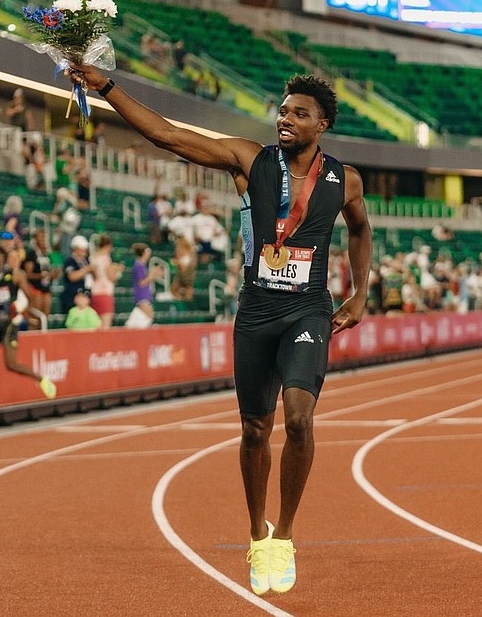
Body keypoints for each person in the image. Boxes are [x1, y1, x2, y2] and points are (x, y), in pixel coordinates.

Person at [70, 66, 371, 596]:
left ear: (321, 124)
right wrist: (106, 88)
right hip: (255, 312)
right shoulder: (249, 160)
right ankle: (258, 534)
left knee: (299, 420)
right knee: (256, 429)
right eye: (282, 109)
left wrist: (361, 291)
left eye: (299, 113)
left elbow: (361, 228)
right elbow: (168, 135)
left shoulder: (343, 180)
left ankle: (286, 537)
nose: (285, 118)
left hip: (308, 311)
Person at [0, 245, 57, 406]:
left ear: (1, 257)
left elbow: (31, 298)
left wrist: (21, 311)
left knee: (11, 364)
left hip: (10, 323)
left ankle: (41, 379)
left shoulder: (15, 275)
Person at [22, 228, 60, 318]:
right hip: (35, 287)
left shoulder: (48, 254)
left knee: (45, 317)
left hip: (46, 287)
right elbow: (28, 274)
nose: (43, 240)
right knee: (36, 316)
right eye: (41, 237)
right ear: (35, 240)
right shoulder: (31, 254)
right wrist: (41, 276)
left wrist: (54, 274)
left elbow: (54, 269)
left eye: (44, 237)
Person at [89, 233, 124, 327]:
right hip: (105, 292)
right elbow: (111, 277)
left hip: (95, 293)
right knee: (105, 325)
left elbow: (94, 275)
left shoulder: (93, 258)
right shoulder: (106, 259)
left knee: (97, 325)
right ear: (108, 246)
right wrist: (118, 271)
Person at [126, 242, 161, 328]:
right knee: (149, 316)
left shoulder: (142, 265)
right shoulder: (138, 266)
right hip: (141, 295)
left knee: (146, 316)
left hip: (145, 295)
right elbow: (141, 282)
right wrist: (152, 275)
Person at [60, 234, 95, 316]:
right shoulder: (70, 261)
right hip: (72, 297)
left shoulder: (86, 261)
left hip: (85, 296)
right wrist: (86, 270)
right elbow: (72, 276)